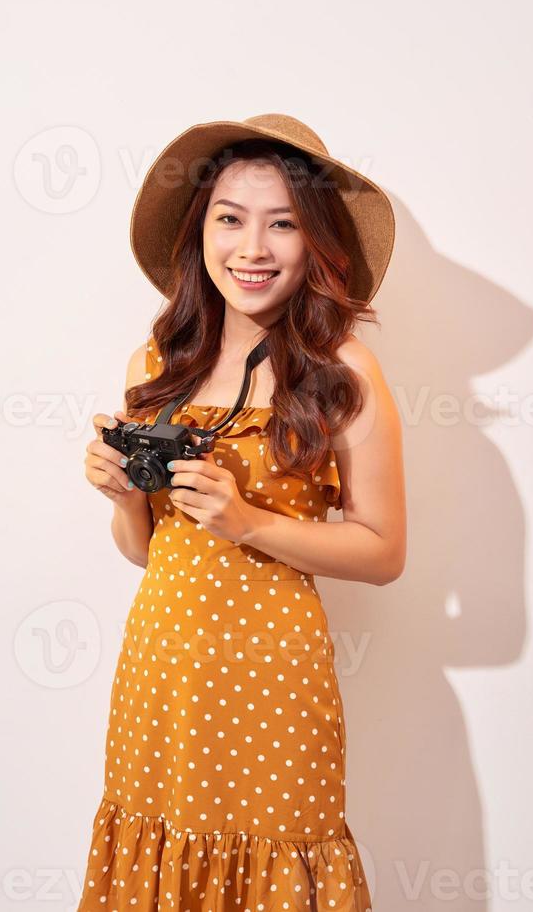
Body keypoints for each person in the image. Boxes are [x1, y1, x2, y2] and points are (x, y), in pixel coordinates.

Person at [78, 114, 406, 910]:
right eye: (230, 219)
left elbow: (384, 550)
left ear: (315, 241)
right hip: (163, 671)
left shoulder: (343, 370)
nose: (251, 249)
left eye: (282, 224)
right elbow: (146, 551)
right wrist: (125, 497)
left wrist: (249, 522)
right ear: (200, 233)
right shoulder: (157, 364)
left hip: (275, 679)